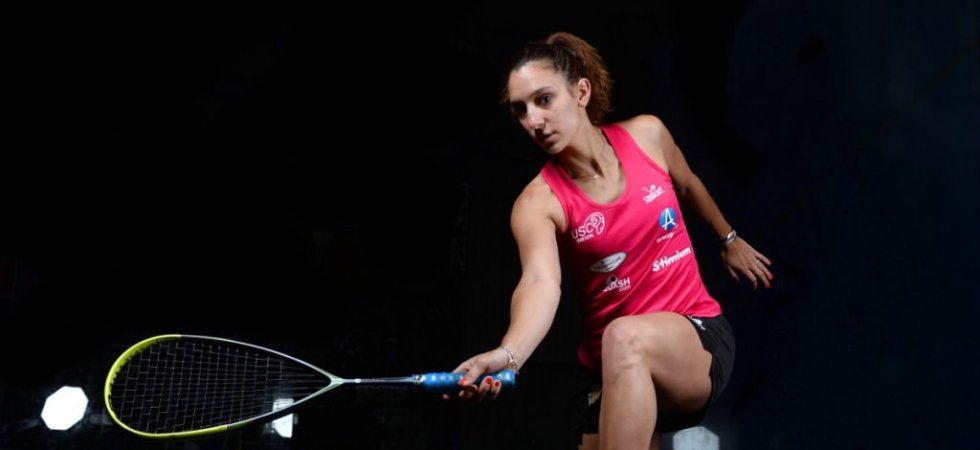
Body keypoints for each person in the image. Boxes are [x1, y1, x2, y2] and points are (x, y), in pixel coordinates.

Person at [442, 31, 774, 450]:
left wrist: (728, 238)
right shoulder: (537, 203)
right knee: (620, 350)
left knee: (625, 337)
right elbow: (540, 283)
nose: (533, 121)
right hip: (607, 369)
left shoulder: (648, 135)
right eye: (520, 110)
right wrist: (508, 355)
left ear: (581, 92)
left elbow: (688, 184)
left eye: (544, 100)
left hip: (694, 336)